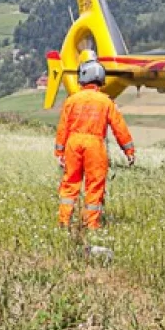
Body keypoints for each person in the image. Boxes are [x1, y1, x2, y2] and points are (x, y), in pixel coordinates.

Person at [54, 59, 135, 229]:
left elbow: (63, 128)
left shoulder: (72, 100)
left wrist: (59, 153)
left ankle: (64, 222)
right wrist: (129, 151)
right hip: (96, 145)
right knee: (95, 185)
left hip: (73, 144)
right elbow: (119, 128)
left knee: (70, 184)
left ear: (84, 76)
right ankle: (91, 224)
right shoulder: (106, 102)